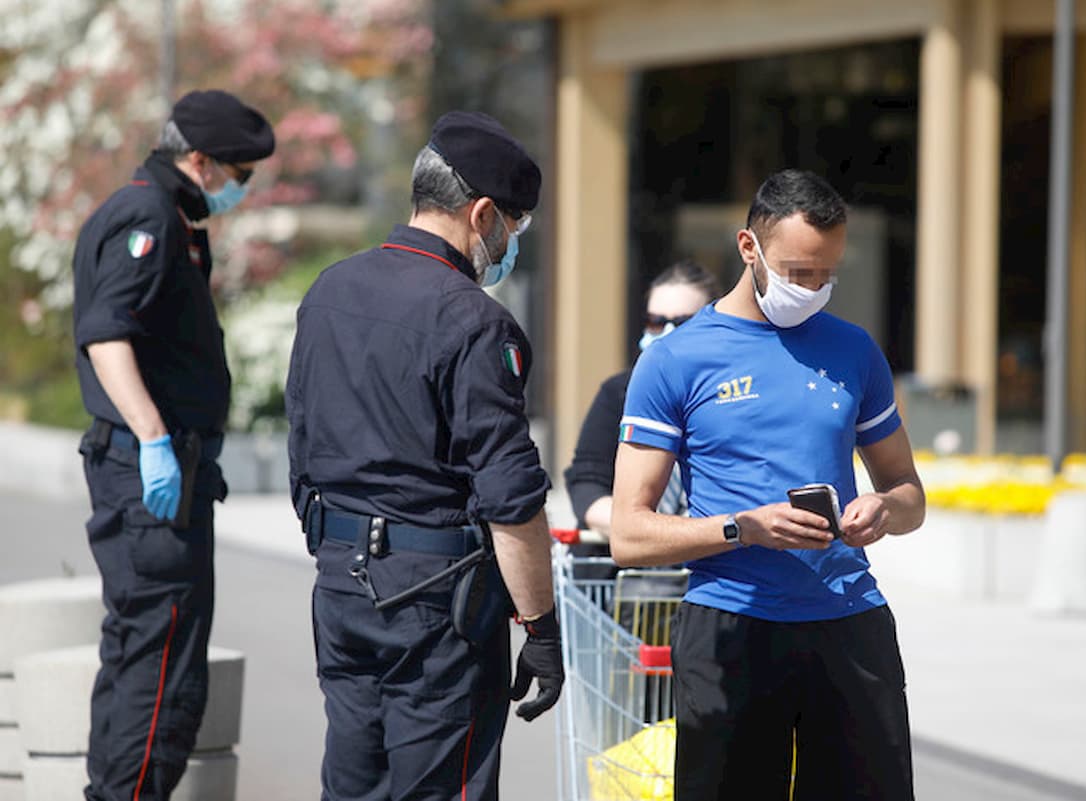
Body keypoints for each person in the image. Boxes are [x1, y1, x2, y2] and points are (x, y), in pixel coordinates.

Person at [610, 169, 925, 801]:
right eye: (796, 271)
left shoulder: (854, 350)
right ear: (748, 248)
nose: (811, 288)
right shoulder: (675, 360)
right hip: (732, 627)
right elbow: (628, 534)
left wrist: (884, 508)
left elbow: (909, 491)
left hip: (849, 621)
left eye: (826, 274)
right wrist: (742, 527)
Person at [285, 110, 563, 801]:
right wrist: (542, 627)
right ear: (484, 214)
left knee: (354, 784)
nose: (511, 243)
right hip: (437, 603)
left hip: (341, 584)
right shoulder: (473, 321)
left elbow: (303, 446)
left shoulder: (329, 291)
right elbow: (512, 500)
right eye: (516, 228)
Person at [71, 90, 275, 800]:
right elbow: (106, 333)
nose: (240, 190)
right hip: (148, 475)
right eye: (238, 175)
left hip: (163, 477)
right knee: (157, 676)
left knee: (149, 658)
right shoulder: (146, 215)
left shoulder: (172, 217)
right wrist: (153, 438)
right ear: (200, 161)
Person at [564, 261, 719, 536]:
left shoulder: (732, 397)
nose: (668, 334)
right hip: (621, 571)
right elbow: (587, 485)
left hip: (705, 563)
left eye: (684, 323)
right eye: (656, 322)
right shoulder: (619, 392)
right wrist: (651, 532)